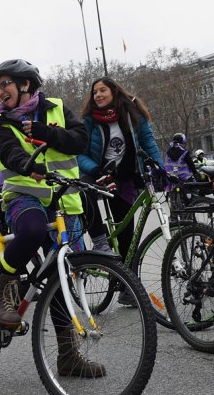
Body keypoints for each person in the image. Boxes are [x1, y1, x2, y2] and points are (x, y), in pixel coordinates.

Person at [0, 59, 104, 377]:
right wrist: (34, 167)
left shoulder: (56, 108)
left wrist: (46, 134)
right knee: (33, 230)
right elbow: (12, 154)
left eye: (5, 84)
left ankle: (67, 357)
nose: (0, 92)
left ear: (25, 84)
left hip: (64, 199)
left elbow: (80, 141)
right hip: (25, 197)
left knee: (61, 275)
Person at [76, 77, 162, 305]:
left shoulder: (133, 113)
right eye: (94, 92)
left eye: (102, 90)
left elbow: (148, 142)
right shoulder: (88, 120)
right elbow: (80, 153)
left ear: (114, 91)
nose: (98, 95)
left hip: (124, 176)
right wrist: (95, 170)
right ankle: (100, 241)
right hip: (96, 172)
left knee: (127, 234)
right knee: (84, 193)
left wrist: (160, 168)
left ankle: (127, 287)